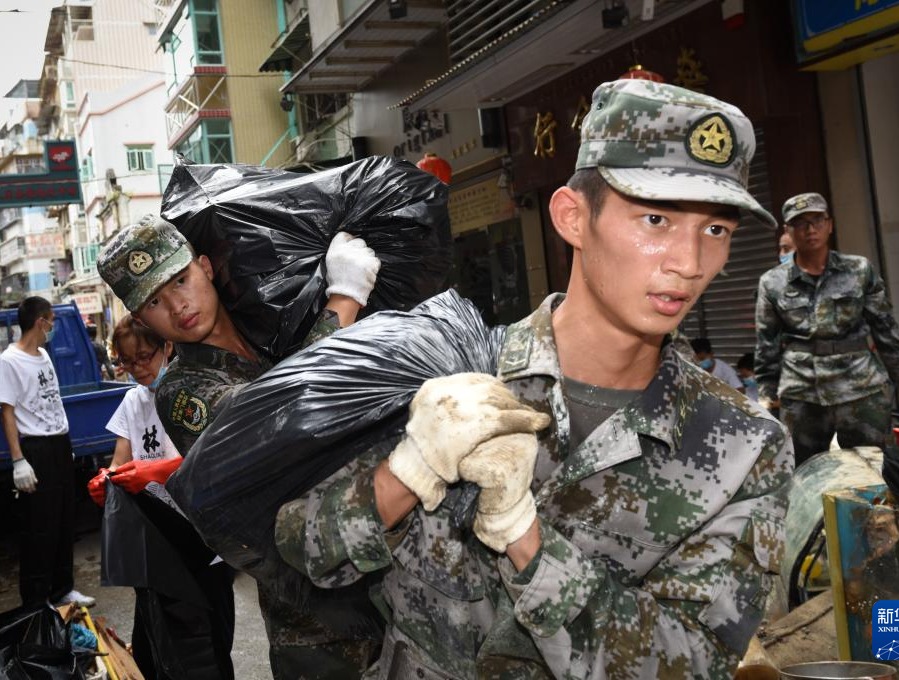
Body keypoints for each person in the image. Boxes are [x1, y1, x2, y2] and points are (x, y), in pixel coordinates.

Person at [274, 79, 794, 678]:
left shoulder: (744, 446)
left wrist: (525, 539)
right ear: (573, 218)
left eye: (716, 230)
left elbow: (693, 662)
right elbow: (306, 551)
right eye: (655, 218)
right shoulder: (449, 370)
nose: (689, 262)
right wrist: (408, 471)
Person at [97, 215, 384, 678]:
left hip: (387, 570)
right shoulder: (184, 391)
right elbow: (281, 427)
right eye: (154, 301)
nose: (178, 306)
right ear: (141, 317)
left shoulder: (272, 330)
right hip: (321, 618)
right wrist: (344, 299)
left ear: (206, 267)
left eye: (180, 280)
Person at [88, 315, 234, 679]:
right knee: (157, 639)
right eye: (127, 361)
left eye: (144, 357)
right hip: (154, 540)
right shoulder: (131, 402)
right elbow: (120, 460)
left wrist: (157, 471)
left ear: (166, 347)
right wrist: (105, 479)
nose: (137, 368)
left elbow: (213, 458)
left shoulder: (191, 394)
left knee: (209, 641)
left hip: (198, 536)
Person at [755, 192, 899, 465]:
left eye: (817, 220)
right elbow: (766, 343)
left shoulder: (858, 270)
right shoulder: (772, 283)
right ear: (788, 231)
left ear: (829, 224)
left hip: (861, 388)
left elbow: (886, 329)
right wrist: (766, 394)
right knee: (804, 473)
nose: (810, 230)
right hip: (802, 393)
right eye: (800, 223)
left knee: (877, 469)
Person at [0, 296, 95, 608]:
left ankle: (62, 588)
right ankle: (36, 600)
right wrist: (18, 460)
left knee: (65, 519)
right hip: (35, 448)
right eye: (51, 320)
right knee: (40, 525)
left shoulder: (43, 355)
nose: (52, 326)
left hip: (59, 444)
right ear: (41, 322)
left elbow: (52, 401)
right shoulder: (9, 361)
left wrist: (66, 443)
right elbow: (7, 412)